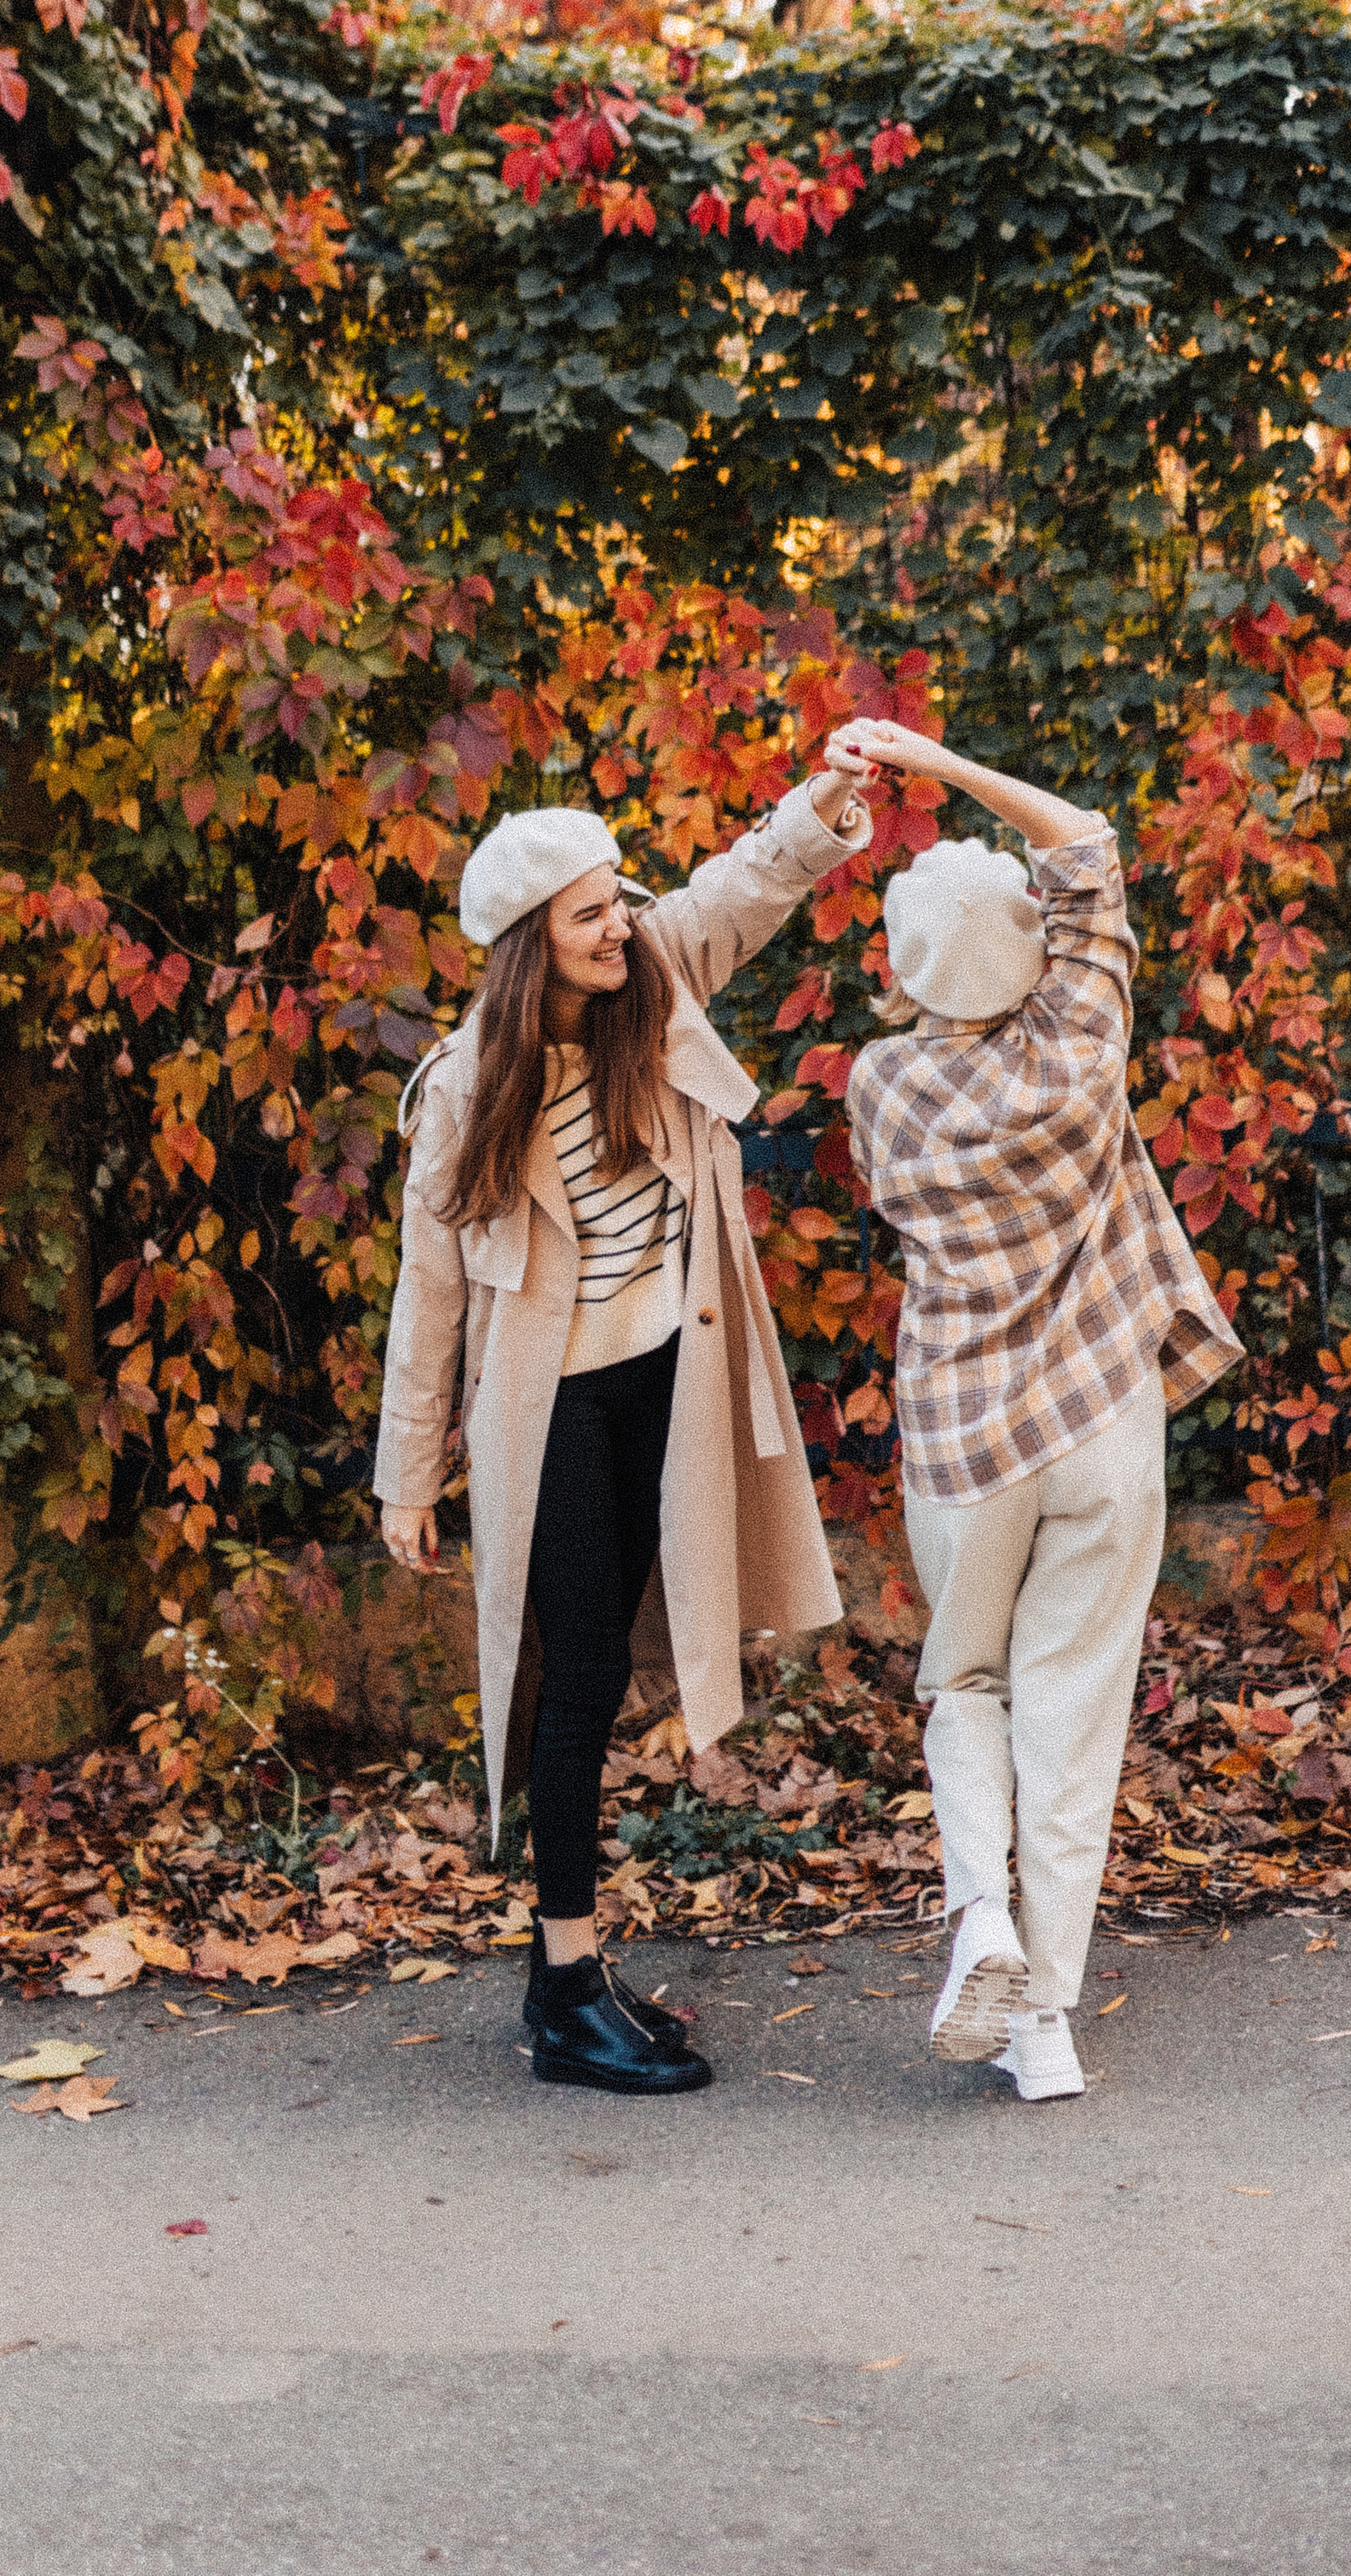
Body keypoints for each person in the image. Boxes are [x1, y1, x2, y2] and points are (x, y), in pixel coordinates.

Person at [373, 749, 873, 2097]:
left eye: (618, 901)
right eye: (591, 912)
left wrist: (825, 804)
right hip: (556, 1411)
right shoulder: (468, 1089)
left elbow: (750, 881)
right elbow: (429, 1295)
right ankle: (567, 1982)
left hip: (674, 1376)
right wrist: (409, 1475)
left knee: (633, 1670)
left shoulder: (652, 983)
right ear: (534, 942)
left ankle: (569, 1980)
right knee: (578, 1678)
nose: (621, 924)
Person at [836, 719, 1241, 2103]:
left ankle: (980, 1921)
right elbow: (1082, 846)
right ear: (1027, 952)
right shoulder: (1082, 1036)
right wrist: (939, 764)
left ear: (906, 968)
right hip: (1100, 1422)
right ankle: (1045, 2024)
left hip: (964, 1436)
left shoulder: (878, 1084)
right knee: (1077, 1705)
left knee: (965, 1682)